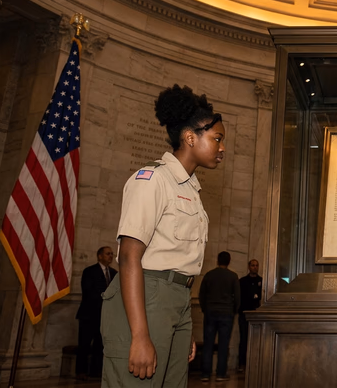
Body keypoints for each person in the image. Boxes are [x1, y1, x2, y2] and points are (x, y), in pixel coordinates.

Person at [101, 84, 226, 387]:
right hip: (147, 296)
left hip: (176, 301)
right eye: (217, 139)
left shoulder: (190, 190)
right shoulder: (152, 180)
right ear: (190, 137)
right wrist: (141, 335)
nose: (222, 148)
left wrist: (181, 324)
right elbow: (130, 257)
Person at [76, 246, 117, 380]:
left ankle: (96, 372)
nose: (110, 256)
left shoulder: (114, 273)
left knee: (100, 345)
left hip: (105, 317)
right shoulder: (89, 271)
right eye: (107, 254)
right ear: (99, 256)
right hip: (89, 314)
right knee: (84, 344)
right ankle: (80, 372)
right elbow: (88, 291)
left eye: (112, 254)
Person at [199, 251, 240, 382]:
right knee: (223, 344)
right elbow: (238, 297)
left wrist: (205, 309)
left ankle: (205, 374)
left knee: (208, 344)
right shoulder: (233, 276)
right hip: (226, 313)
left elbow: (202, 294)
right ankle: (220, 374)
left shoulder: (209, 275)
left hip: (210, 312)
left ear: (217, 260)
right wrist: (234, 311)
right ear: (229, 261)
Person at [238, 259, 262, 372]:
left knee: (256, 340)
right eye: (253, 265)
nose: (255, 267)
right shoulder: (242, 281)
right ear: (249, 267)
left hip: (257, 314)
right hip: (244, 314)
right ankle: (242, 364)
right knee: (244, 339)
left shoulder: (261, 281)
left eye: (256, 265)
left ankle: (255, 363)